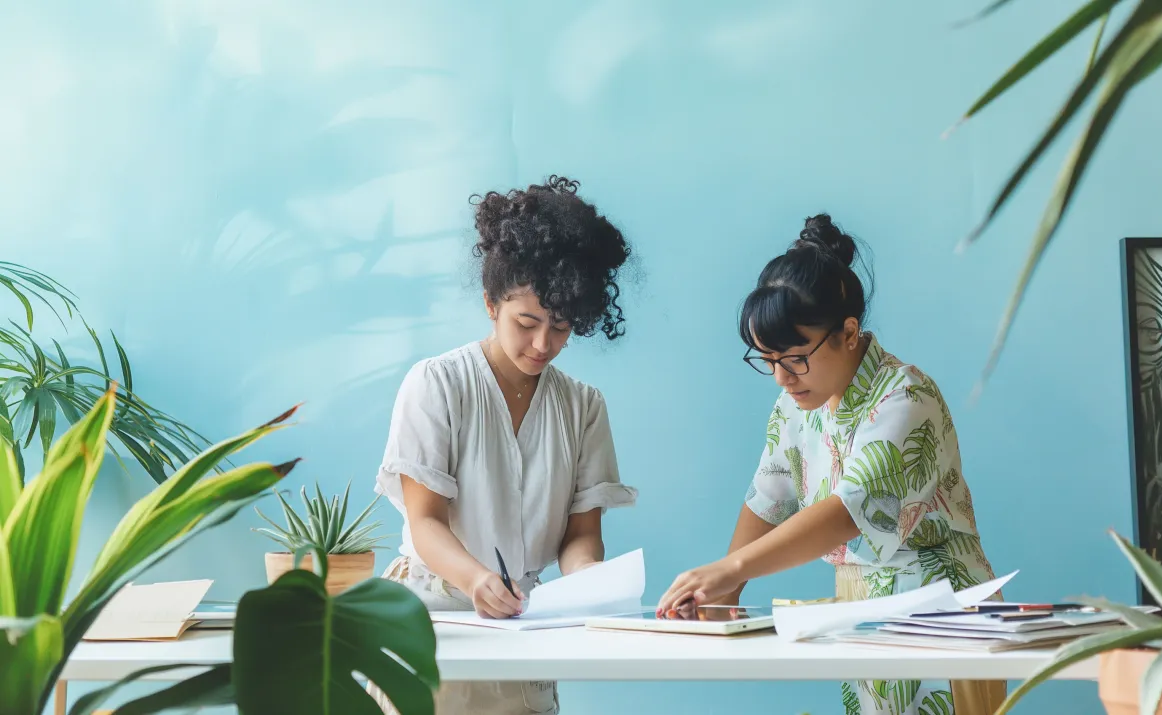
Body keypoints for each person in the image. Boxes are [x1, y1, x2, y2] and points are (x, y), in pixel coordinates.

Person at [657, 214, 1004, 715]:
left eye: (794, 357)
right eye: (767, 359)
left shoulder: (906, 399)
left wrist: (729, 568)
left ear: (848, 331)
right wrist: (726, 589)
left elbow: (850, 511)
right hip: (861, 614)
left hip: (939, 614)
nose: (781, 377)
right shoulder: (799, 403)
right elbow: (770, 494)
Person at [369, 175, 638, 715]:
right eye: (528, 322)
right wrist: (476, 579)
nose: (544, 344)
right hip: (427, 618)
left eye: (561, 328)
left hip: (522, 624)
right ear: (492, 303)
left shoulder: (584, 406)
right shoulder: (437, 384)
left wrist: (589, 585)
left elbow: (581, 537)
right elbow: (425, 523)